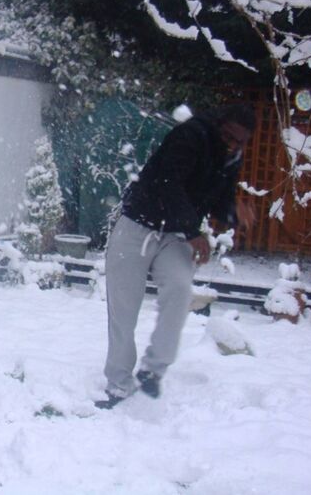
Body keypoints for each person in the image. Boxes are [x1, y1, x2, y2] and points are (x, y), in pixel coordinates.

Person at [96, 105, 256, 409]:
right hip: (136, 227)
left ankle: (152, 370)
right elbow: (167, 185)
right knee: (123, 308)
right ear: (219, 124)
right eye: (229, 137)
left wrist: (234, 212)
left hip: (176, 236)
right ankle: (117, 383)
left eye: (240, 141)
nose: (233, 145)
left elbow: (217, 200)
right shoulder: (190, 136)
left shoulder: (231, 157)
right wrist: (194, 232)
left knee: (181, 290)